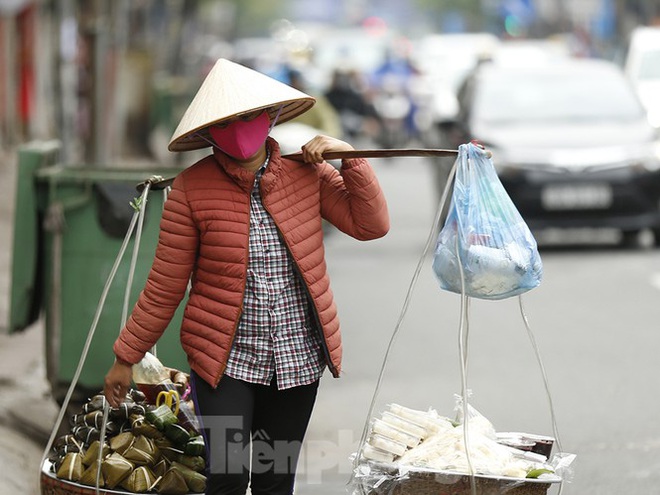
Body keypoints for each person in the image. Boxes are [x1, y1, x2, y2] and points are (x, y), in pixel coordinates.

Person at [103, 58, 390, 495]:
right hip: (225, 361)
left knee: (277, 479)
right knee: (230, 475)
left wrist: (349, 158)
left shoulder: (307, 173)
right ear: (209, 132)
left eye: (248, 116)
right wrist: (126, 357)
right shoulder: (189, 190)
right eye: (226, 121)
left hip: (297, 356)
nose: (239, 128)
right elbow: (165, 286)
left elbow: (371, 225)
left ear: (270, 116)